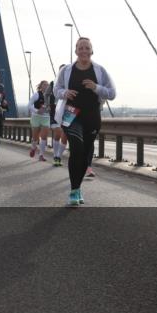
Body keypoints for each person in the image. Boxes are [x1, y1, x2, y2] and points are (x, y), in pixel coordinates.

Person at [56, 38, 116, 206]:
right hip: (71, 115)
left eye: (86, 48)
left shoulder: (100, 71)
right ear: (76, 51)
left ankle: (78, 187)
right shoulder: (67, 70)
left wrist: (96, 87)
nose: (83, 50)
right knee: (76, 149)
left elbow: (112, 93)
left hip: (92, 116)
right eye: (80, 47)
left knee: (85, 153)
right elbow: (56, 90)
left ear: (91, 51)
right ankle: (74, 191)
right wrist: (64, 93)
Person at [29, 79, 51, 162]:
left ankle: (41, 155)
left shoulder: (50, 95)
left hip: (46, 117)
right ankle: (33, 147)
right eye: (44, 84)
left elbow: (54, 105)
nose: (46, 86)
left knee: (44, 137)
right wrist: (36, 111)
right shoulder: (36, 95)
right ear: (40, 86)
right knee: (35, 138)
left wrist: (51, 108)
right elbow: (29, 105)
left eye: (47, 85)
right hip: (36, 117)